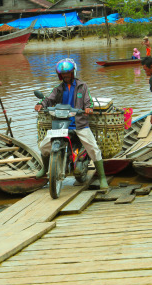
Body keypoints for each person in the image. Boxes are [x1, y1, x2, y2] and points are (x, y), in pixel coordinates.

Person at [34, 58, 108, 189]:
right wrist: (41, 104)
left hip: (79, 124)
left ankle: (102, 177)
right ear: (60, 75)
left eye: (68, 73)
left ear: (73, 72)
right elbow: (48, 99)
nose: (66, 75)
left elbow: (89, 101)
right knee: (44, 146)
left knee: (93, 149)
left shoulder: (82, 86)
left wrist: (88, 108)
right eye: (63, 74)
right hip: (61, 124)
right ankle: (45, 168)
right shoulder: (58, 89)